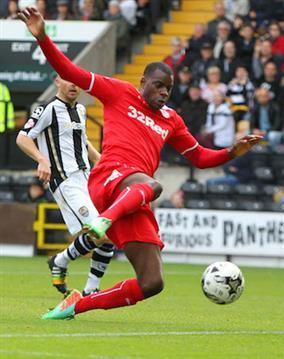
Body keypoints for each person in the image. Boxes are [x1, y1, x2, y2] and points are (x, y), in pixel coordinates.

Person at [18, 6, 261, 320]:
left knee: (152, 282)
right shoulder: (119, 92)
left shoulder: (171, 120)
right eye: (158, 85)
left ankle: (76, 305)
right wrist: (42, 37)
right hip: (109, 179)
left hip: (134, 196)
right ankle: (102, 220)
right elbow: (71, 71)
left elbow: (200, 157)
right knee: (151, 183)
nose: (163, 93)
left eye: (168, 89)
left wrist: (231, 152)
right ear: (143, 81)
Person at [16, 76, 113, 297]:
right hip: (65, 181)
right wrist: (41, 160)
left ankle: (88, 287)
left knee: (110, 232)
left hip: (87, 178)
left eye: (77, 81)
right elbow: (22, 138)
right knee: (102, 230)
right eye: (68, 80)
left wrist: (101, 161)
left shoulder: (80, 109)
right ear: (57, 82)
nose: (74, 85)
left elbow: (82, 140)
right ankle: (65, 266)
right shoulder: (47, 109)